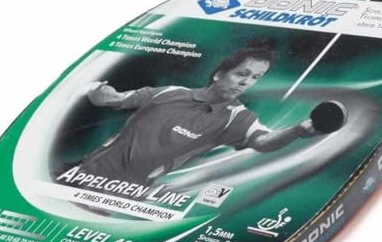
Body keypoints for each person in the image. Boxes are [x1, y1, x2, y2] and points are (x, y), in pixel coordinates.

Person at [59, 47, 320, 187]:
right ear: (219, 74)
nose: (246, 82)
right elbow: (112, 99)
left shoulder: (237, 119)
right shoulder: (169, 92)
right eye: (242, 74)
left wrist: (298, 130)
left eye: (255, 78)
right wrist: (97, 91)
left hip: (116, 196)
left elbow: (263, 142)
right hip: (77, 174)